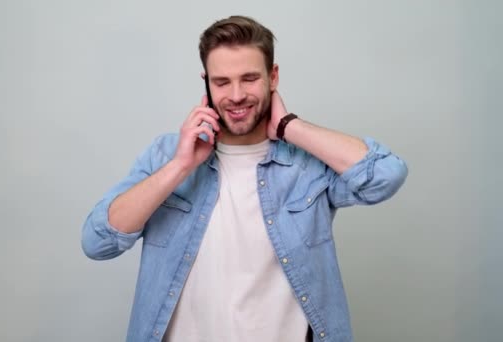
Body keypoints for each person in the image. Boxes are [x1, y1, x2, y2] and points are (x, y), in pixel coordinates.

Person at [82, 15, 408, 342]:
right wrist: (181, 166)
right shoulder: (165, 155)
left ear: (273, 76)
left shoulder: (307, 165)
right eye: (222, 82)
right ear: (206, 82)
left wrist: (289, 127)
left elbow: (386, 175)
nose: (236, 95)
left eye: (249, 78)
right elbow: (97, 242)